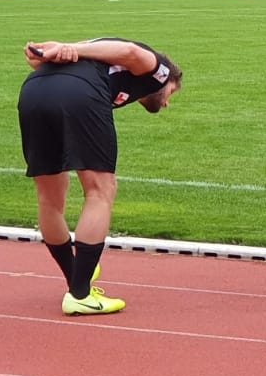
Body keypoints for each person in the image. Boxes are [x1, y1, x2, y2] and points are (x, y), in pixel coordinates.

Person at [19, 38, 182, 315]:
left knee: (49, 198)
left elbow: (41, 60)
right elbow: (131, 51)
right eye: (172, 93)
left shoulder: (108, 68)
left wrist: (56, 51)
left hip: (33, 92)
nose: (167, 103)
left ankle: (77, 281)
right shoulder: (159, 71)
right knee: (100, 191)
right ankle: (80, 295)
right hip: (79, 94)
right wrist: (71, 48)